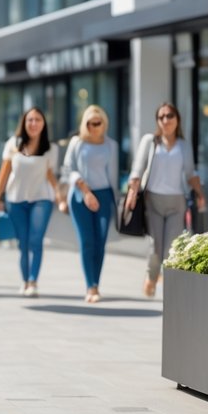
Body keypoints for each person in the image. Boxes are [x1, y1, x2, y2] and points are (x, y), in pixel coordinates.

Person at [126, 103, 206, 298]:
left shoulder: (183, 145)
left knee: (172, 246)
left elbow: (190, 173)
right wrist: (131, 193)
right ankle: (151, 277)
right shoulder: (150, 141)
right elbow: (137, 170)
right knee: (155, 246)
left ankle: (171, 287)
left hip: (177, 202)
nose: (165, 120)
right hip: (153, 201)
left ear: (177, 118)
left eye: (169, 116)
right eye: (161, 117)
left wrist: (200, 194)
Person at [0, 108, 60, 298]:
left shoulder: (51, 148)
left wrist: (59, 196)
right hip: (16, 200)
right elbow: (3, 174)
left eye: (38, 119)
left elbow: (50, 174)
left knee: (36, 241)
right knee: (23, 242)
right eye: (30, 120)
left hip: (42, 199)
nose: (34, 123)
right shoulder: (13, 144)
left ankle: (33, 282)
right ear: (24, 122)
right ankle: (24, 280)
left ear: (43, 123)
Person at [62, 105, 119, 304]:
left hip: (104, 195)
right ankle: (91, 286)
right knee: (87, 242)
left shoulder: (111, 145)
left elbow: (112, 174)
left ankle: (96, 282)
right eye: (89, 123)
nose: (93, 127)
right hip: (80, 195)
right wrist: (85, 190)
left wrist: (118, 200)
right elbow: (68, 169)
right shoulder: (77, 142)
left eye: (97, 123)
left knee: (100, 241)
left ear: (104, 123)